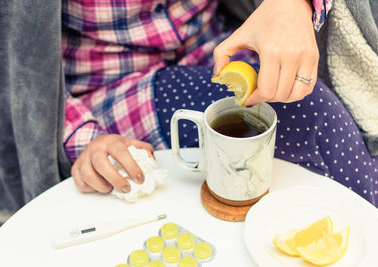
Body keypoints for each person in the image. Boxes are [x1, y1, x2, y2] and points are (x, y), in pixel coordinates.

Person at [62, 0, 377, 206]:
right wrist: (83, 138)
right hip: (111, 86)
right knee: (307, 111)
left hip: (216, 47)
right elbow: (17, 65)